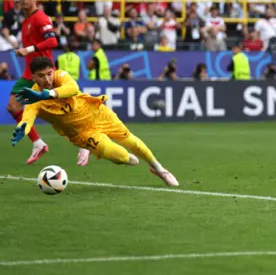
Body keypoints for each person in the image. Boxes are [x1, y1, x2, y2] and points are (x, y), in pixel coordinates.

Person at [11, 57, 178, 187]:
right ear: (33, 77)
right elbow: (27, 118)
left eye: (49, 74)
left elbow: (73, 88)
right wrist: (23, 129)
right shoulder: (33, 98)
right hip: (82, 134)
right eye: (41, 76)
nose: (47, 79)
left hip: (97, 114)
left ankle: (160, 170)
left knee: (134, 142)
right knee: (119, 156)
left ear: (54, 71)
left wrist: (47, 94)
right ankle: (124, 157)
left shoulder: (61, 76)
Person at [8, 0, 91, 166]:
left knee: (61, 116)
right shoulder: (26, 20)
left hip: (44, 74)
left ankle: (83, 142)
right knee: (13, 106)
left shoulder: (40, 17)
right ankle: (38, 143)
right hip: (29, 73)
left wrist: (28, 49)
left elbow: (53, 40)